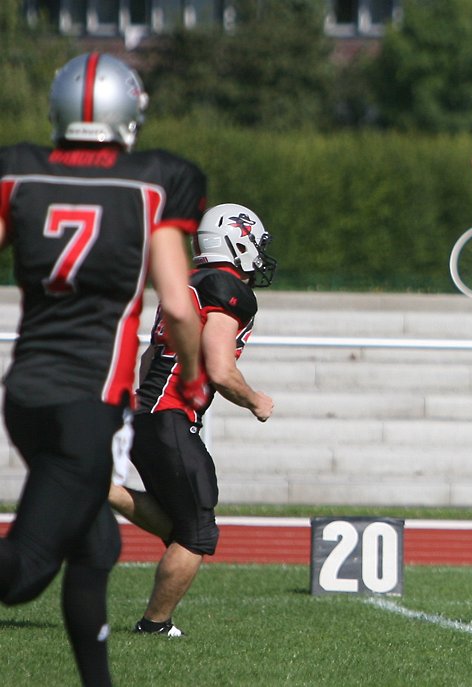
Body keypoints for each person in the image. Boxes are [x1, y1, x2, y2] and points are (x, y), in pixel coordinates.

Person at [0, 52, 207, 685]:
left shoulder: (18, 171)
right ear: (129, 113)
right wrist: (191, 374)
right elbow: (179, 305)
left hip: (25, 395)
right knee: (21, 575)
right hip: (88, 400)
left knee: (97, 546)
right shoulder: (155, 182)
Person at [108, 203, 276, 637]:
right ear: (238, 241)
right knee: (198, 535)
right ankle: (154, 625)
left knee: (179, 525)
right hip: (171, 415)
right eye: (256, 243)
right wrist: (255, 401)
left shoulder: (188, 283)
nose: (259, 253)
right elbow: (220, 369)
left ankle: (100, 488)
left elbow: (150, 358)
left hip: (146, 414)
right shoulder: (226, 287)